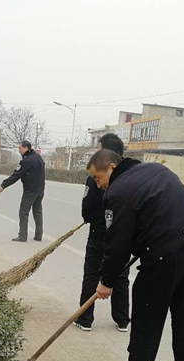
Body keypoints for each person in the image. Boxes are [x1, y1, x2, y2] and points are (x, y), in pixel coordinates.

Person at [88, 148, 184, 361]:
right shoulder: (158, 171)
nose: (97, 185)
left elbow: (116, 245)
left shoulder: (118, 192)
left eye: (97, 178)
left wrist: (106, 281)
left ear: (111, 167)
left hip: (162, 261)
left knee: (145, 330)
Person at [74, 133, 130, 332]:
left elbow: (87, 208)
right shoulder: (130, 175)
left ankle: (85, 319)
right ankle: (122, 320)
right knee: (121, 276)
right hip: (122, 235)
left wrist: (91, 218)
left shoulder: (96, 174)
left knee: (92, 274)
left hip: (99, 234)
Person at [0, 141, 45, 242]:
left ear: (26, 148)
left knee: (23, 212)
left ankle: (22, 236)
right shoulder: (38, 157)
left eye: (20, 148)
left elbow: (17, 175)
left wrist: (4, 185)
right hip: (40, 189)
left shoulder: (26, 161)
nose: (19, 150)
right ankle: (38, 235)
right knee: (37, 212)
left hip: (30, 190)